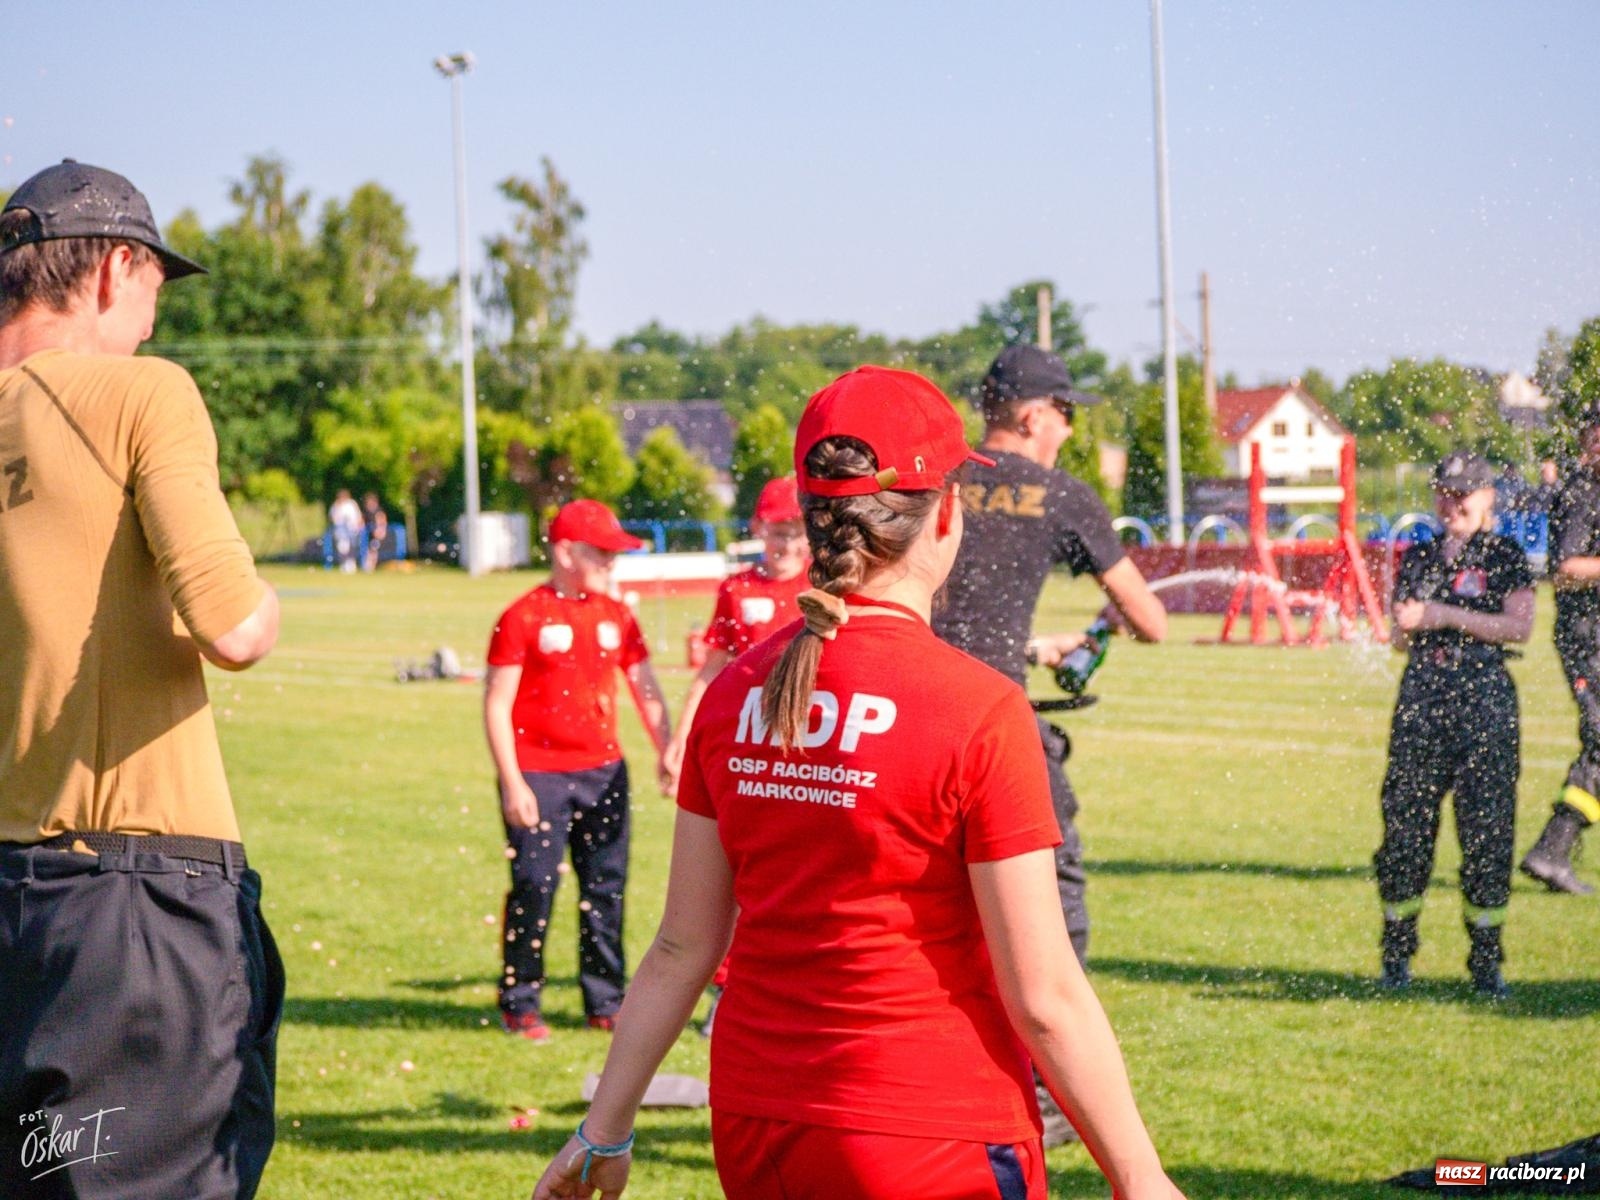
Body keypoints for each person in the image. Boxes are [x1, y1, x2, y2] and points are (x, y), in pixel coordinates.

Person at [531, 366, 1184, 1200]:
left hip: (756, 1121)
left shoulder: (735, 694)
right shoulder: (981, 710)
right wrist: (1139, 1176)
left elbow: (681, 948)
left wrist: (605, 1130)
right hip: (931, 1130)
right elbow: (1046, 995)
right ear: (946, 516)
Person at [0, 160, 283, 1198]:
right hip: (131, 911)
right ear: (117, 267)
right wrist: (267, 602)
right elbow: (233, 627)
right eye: (156, 288)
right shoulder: (141, 390)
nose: (153, 322)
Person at [933, 344, 1167, 967]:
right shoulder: (1062, 495)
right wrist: (1111, 620)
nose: (1069, 429)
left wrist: (1032, 646)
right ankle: (1049, 1030)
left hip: (915, 713)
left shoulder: (939, 481)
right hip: (996, 724)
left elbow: (950, 619)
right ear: (1033, 416)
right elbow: (1151, 621)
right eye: (1067, 413)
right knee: (1051, 890)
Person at [484, 499, 674, 1040]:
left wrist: (667, 747)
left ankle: (606, 1000)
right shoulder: (522, 615)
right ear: (566, 553)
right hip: (539, 776)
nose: (612, 564)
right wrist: (513, 781)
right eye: (602, 553)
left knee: (605, 889)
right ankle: (521, 1000)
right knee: (534, 887)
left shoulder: (617, 614)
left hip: (604, 774)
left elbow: (645, 687)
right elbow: (497, 702)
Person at [1374, 451, 1535, 998]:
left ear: (1488, 497)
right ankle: (1397, 955)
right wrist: (1403, 625)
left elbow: (1519, 627)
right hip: (1423, 699)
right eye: (1444, 493)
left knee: (1487, 833)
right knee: (1405, 830)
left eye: (1463, 494)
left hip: (1484, 702)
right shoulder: (1418, 556)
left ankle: (1486, 962)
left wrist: (1443, 616)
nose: (1452, 504)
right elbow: (1400, 641)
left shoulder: (1505, 555)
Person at [1522, 414, 1600, 895]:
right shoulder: (1582, 493)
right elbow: (1565, 569)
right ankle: (1552, 850)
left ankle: (1553, 851)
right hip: (1586, 638)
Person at [329, 487, 363, 572]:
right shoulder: (336, 506)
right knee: (343, 548)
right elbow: (333, 518)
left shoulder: (351, 504)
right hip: (341, 531)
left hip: (352, 530)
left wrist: (358, 525)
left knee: (352, 547)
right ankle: (344, 564)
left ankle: (351, 564)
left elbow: (358, 516)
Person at [361, 490, 389, 572]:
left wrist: (380, 531)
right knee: (370, 550)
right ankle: (369, 566)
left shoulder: (378, 511)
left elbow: (382, 522)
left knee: (373, 550)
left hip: (376, 535)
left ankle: (371, 567)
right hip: (369, 535)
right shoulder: (367, 512)